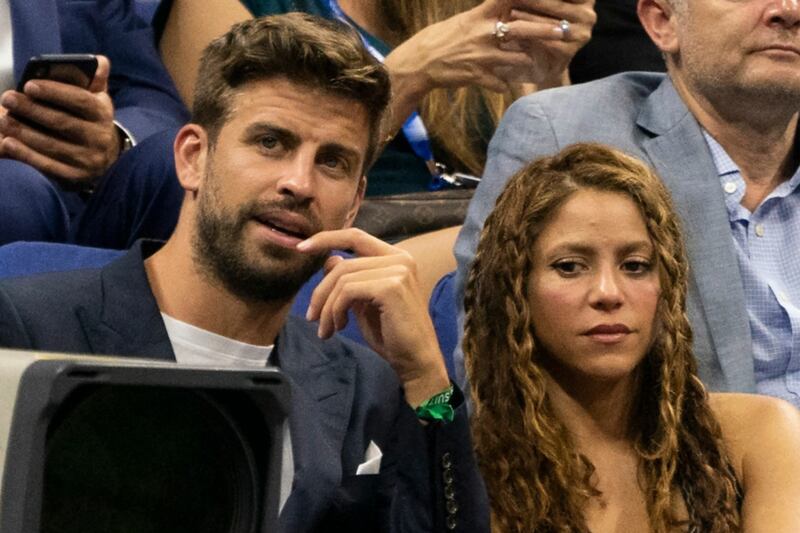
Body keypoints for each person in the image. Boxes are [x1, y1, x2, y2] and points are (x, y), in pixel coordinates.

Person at [0, 14, 488, 532]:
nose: (299, 184)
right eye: (270, 143)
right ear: (193, 158)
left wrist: (429, 382)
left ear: (354, 204)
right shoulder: (27, 327)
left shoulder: (368, 387)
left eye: (332, 162)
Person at [454, 0, 800, 404]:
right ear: (662, 21)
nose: (789, 9)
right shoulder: (563, 137)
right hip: (688, 444)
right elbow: (492, 371)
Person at [464, 143, 800, 531]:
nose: (608, 293)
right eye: (570, 267)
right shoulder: (474, 469)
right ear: (514, 288)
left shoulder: (762, 436)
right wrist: (426, 377)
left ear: (667, 286)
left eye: (635, 266)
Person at [0, 0, 189, 244]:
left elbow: (150, 97)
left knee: (174, 160)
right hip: (18, 196)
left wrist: (113, 142)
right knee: (14, 192)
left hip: (75, 199)